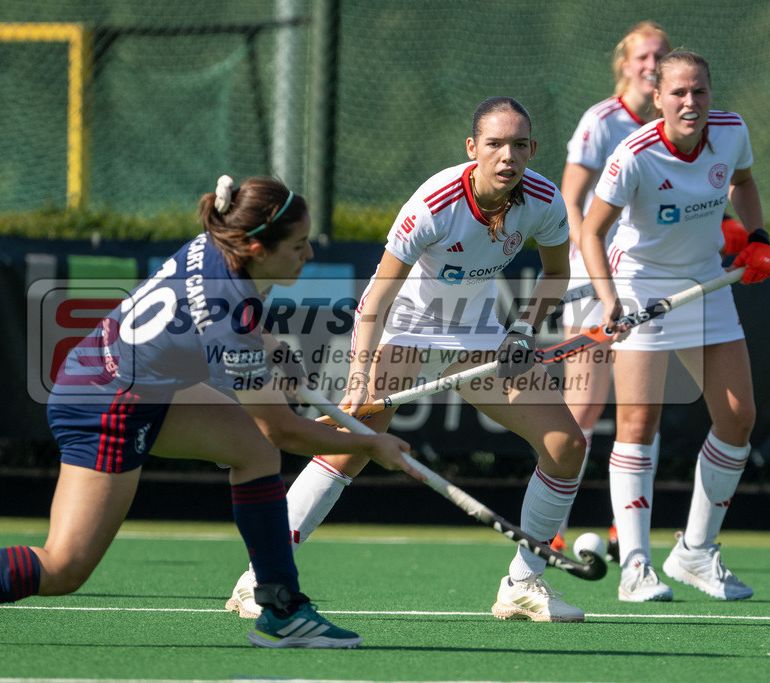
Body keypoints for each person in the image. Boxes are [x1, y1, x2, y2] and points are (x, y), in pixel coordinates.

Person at [0, 176, 411, 649]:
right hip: (108, 406)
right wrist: (370, 444)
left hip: (126, 381)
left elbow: (243, 356)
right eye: (298, 246)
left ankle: (281, 608)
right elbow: (285, 428)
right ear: (256, 246)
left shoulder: (216, 248)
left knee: (252, 450)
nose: (309, 255)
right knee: (65, 566)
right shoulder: (230, 310)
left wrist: (273, 353)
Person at [227, 97, 588, 623]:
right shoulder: (436, 203)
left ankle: (524, 583)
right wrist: (357, 381)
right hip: (406, 326)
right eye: (494, 144)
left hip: (479, 333)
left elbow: (556, 273)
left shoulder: (544, 200)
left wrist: (523, 328)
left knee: (566, 445)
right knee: (350, 446)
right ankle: (258, 577)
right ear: (473, 149)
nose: (506, 156)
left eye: (517, 145)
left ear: (532, 149)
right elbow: (376, 299)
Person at [579, 51, 770, 603]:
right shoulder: (634, 155)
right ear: (658, 98)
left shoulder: (731, 133)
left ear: (711, 94)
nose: (691, 103)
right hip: (640, 286)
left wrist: (756, 237)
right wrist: (609, 299)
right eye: (679, 94)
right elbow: (593, 232)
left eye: (700, 92)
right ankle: (637, 568)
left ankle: (695, 551)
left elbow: (744, 182)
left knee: (739, 418)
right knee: (639, 423)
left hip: (704, 283)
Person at [557, 21, 672, 559]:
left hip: (647, 281)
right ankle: (547, 525)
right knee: (581, 409)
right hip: (592, 279)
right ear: (625, 65)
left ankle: (625, 530)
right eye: (644, 57)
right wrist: (592, 271)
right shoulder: (601, 121)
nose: (652, 65)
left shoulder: (676, 127)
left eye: (661, 57)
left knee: (640, 411)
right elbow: (571, 200)